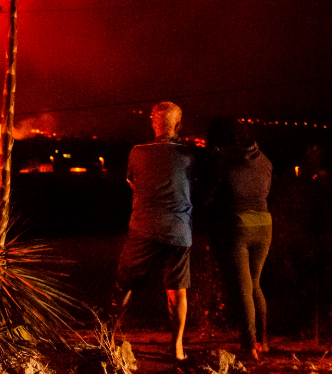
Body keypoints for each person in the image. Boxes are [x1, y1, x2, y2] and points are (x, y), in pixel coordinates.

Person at [112, 101, 195, 361]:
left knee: (124, 283)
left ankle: (109, 335)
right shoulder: (189, 154)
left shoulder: (137, 152)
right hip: (178, 229)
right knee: (177, 289)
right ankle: (177, 347)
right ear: (178, 125)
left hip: (143, 226)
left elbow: (132, 183)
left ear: (153, 124)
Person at [206, 117, 272, 362]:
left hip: (237, 225)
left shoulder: (224, 163)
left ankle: (248, 346)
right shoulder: (265, 160)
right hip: (264, 224)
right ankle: (262, 342)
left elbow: (208, 197)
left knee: (242, 289)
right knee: (255, 284)